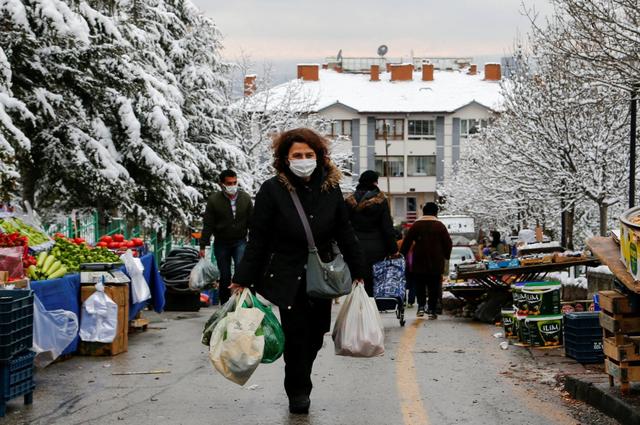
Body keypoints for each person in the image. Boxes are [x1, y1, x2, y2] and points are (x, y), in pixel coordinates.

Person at [231, 128, 365, 414]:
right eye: (297, 155)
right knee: (295, 335)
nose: (303, 160)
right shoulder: (272, 190)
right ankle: (298, 390)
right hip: (286, 273)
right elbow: (258, 238)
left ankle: (302, 374)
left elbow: (345, 231)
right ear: (284, 158)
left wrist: (360, 270)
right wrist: (242, 278)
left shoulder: (331, 189)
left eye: (308, 154)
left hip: (321, 274)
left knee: (316, 335)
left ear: (319, 156)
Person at [199, 169, 253, 304]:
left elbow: (252, 221)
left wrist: (254, 241)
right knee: (225, 274)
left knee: (242, 271)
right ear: (221, 184)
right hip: (221, 242)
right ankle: (224, 303)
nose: (233, 186)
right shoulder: (214, 200)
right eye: (229, 183)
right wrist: (203, 245)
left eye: (235, 182)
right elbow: (208, 224)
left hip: (240, 241)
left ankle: (244, 303)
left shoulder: (245, 198)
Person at [345, 170, 398, 296]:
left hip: (354, 246)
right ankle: (370, 307)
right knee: (373, 281)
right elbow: (387, 227)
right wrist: (393, 249)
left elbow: (343, 225)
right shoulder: (381, 201)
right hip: (377, 248)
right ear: (374, 182)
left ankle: (357, 308)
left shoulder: (348, 201)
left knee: (356, 279)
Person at [400, 202, 452, 319]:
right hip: (436, 262)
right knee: (434, 286)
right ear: (436, 212)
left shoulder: (416, 225)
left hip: (419, 260)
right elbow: (448, 243)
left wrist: (402, 255)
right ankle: (432, 310)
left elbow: (407, 242)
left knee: (420, 285)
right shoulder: (440, 226)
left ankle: (421, 307)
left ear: (423, 212)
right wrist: (446, 255)